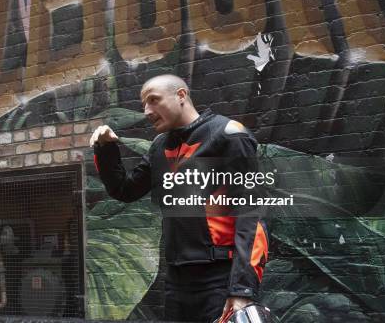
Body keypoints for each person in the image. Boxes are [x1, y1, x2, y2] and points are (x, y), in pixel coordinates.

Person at [90, 74, 269, 323]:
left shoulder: (228, 135)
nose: (147, 110)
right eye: (144, 105)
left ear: (181, 95)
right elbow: (125, 190)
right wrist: (106, 148)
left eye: (153, 100)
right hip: (177, 280)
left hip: (219, 279)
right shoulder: (159, 146)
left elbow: (251, 216)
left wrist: (241, 290)